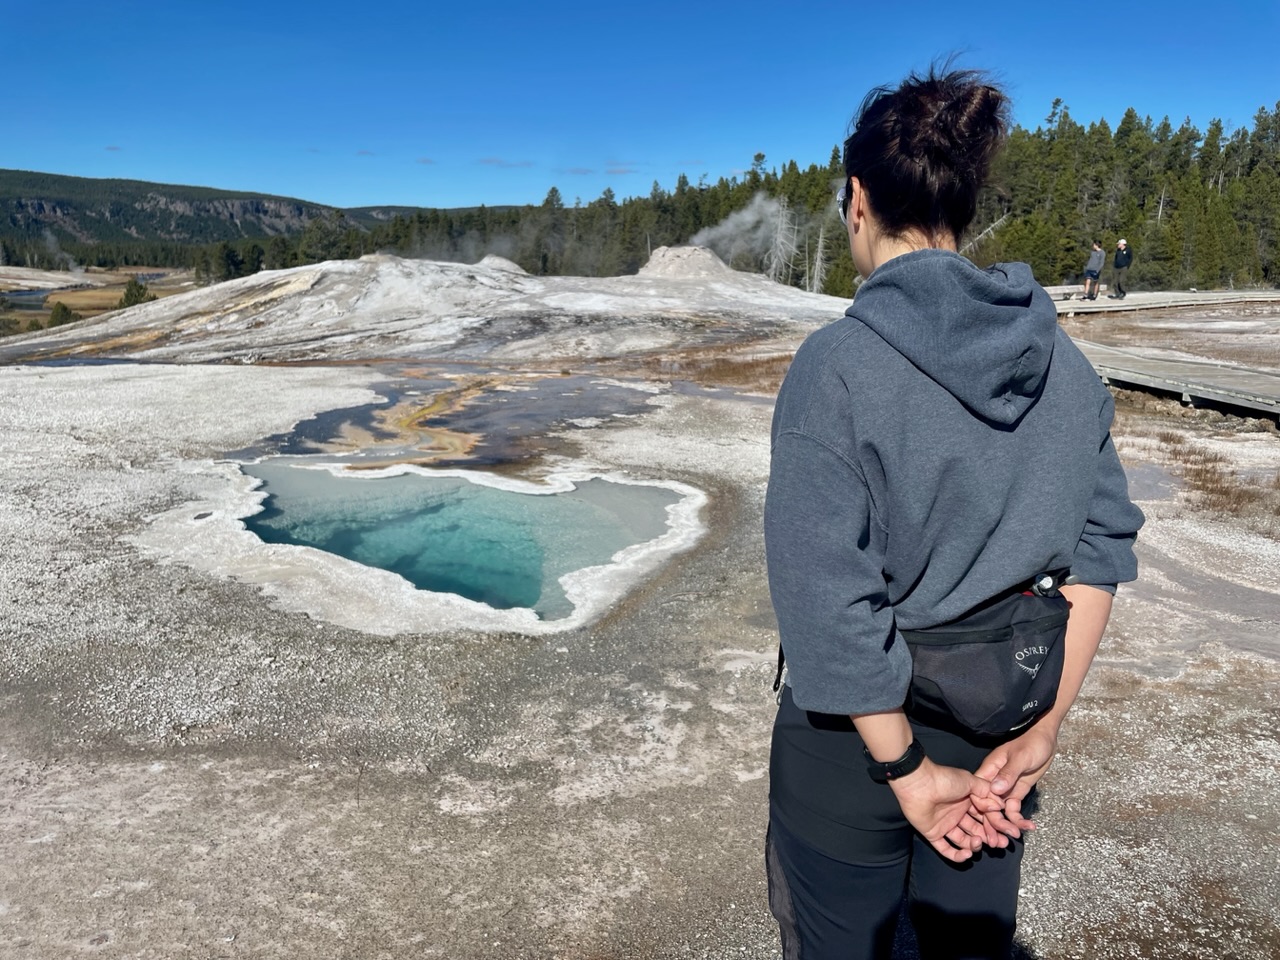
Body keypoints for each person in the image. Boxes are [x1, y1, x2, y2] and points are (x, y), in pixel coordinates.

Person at [763, 67, 1144, 960]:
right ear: (964, 208)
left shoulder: (836, 366)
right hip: (1004, 722)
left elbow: (826, 598)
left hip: (853, 747)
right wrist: (1043, 727)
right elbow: (1101, 548)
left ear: (858, 200)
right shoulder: (1064, 366)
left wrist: (904, 768)